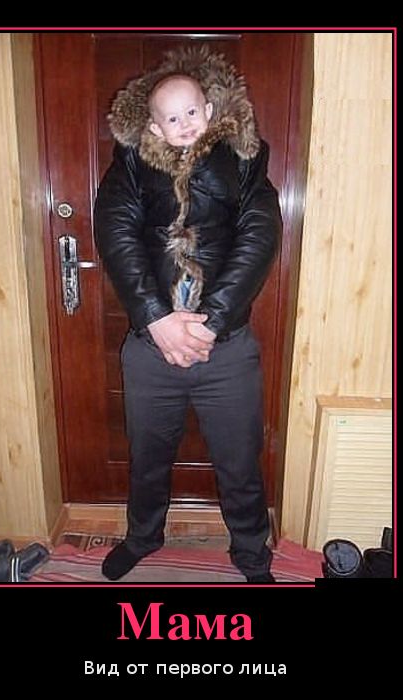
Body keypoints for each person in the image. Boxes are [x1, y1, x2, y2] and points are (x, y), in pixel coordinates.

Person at [94, 46, 282, 583]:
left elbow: (260, 236)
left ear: (210, 109)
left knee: (240, 462)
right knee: (147, 458)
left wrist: (214, 321)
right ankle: (142, 538)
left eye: (192, 112)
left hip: (227, 346)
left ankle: (252, 555)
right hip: (149, 346)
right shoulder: (132, 162)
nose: (184, 124)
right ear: (153, 125)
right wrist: (155, 317)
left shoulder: (245, 157)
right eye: (171, 118)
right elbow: (115, 229)